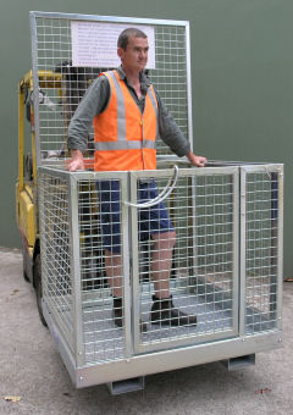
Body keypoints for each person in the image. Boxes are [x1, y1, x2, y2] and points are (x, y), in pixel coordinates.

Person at [67, 27, 207, 329]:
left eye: (146, 50)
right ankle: (121, 309)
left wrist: (190, 155)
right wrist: (78, 155)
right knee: (117, 245)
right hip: (114, 181)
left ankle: (162, 305)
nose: (143, 55)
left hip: (146, 181)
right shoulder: (105, 85)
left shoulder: (150, 90)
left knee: (166, 236)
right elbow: (79, 121)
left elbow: (167, 127)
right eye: (136, 50)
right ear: (121, 53)